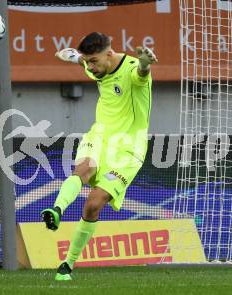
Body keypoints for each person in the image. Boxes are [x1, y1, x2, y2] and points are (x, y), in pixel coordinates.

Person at [41, 32, 157, 280]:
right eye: (88, 61)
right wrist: (73, 56)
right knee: (82, 170)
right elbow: (78, 59)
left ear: (109, 54)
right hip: (100, 136)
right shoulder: (96, 67)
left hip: (129, 148)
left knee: (93, 204)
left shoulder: (133, 67)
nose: (91, 67)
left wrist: (146, 64)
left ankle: (68, 264)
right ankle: (57, 210)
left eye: (94, 61)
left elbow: (140, 76)